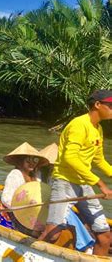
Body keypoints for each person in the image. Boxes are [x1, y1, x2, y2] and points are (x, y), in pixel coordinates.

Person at [38, 89, 112, 256]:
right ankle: (29, 254)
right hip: (64, 182)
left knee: (104, 236)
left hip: (83, 183)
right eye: (110, 105)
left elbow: (99, 160)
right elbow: (70, 158)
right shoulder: (79, 124)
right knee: (53, 233)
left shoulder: (97, 129)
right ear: (97, 105)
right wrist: (100, 184)